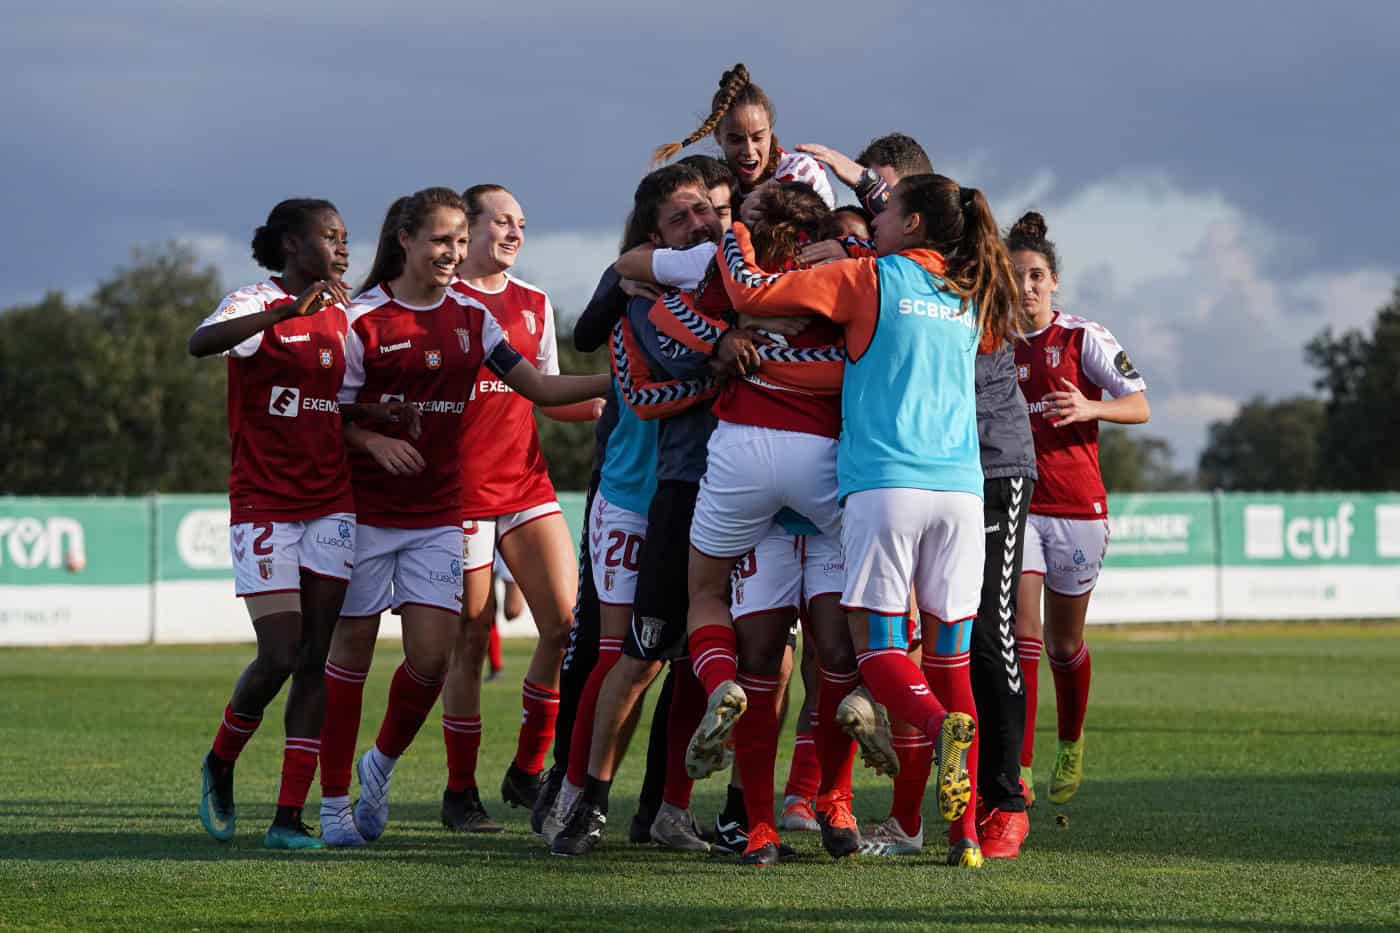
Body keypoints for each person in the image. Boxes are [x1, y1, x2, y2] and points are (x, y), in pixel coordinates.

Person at [719, 172, 1023, 868]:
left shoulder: (871, 278)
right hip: (962, 492)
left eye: (886, 214)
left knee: (879, 653)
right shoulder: (971, 289)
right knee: (949, 663)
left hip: (886, 486)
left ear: (912, 224)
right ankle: (966, 835)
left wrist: (737, 232)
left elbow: (752, 296)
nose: (875, 223)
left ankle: (933, 728)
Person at [314, 187, 608, 847]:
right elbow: (326, 415)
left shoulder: (475, 319)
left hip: (437, 516)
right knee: (352, 657)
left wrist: (616, 384)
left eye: (455, 242)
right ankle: (335, 801)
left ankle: (379, 765)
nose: (450, 253)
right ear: (407, 241)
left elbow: (536, 385)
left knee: (431, 659)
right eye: (440, 241)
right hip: (365, 515)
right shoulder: (362, 319)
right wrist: (372, 441)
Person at [808, 134, 1042, 860]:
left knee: (963, 649)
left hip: (972, 466)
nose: (871, 209)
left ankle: (1003, 799)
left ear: (917, 215)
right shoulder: (970, 275)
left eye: (883, 196)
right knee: (948, 654)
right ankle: (948, 829)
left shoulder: (920, 278)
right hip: (961, 477)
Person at [189, 199, 411, 850]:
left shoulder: (346, 312)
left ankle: (288, 818)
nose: (344, 247)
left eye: (347, 238)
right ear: (292, 243)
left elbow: (331, 407)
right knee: (279, 654)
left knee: (316, 658)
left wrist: (378, 418)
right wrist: (288, 311)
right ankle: (222, 756)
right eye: (330, 237)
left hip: (331, 501)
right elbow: (198, 343)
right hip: (264, 502)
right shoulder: (255, 304)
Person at [550, 163, 732, 858]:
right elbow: (637, 385)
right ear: (657, 239)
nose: (702, 224)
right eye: (683, 217)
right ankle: (574, 794)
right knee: (624, 655)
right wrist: (724, 370)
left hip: (715, 492)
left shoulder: (735, 292)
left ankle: (670, 810)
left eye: (710, 211)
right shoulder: (636, 303)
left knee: (694, 659)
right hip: (634, 492)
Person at [439, 184, 601, 832]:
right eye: (502, 221)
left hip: (526, 484)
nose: (514, 233)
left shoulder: (533, 302)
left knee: (565, 625)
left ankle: (528, 768)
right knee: (471, 639)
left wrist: (603, 405)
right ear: (468, 227)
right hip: (459, 496)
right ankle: (459, 793)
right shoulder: (441, 302)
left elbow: (547, 393)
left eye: (522, 224)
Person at [1009, 211, 1149, 808]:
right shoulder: (990, 342)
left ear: (1054, 281)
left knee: (1065, 646)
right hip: (1020, 504)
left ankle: (1070, 739)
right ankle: (1017, 768)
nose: (1027, 286)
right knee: (1022, 638)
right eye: (1016, 276)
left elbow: (1139, 405)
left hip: (1079, 508)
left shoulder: (1082, 338)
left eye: (1037, 275)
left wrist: (1092, 410)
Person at [653, 64, 835, 211]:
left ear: (770, 132)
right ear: (718, 136)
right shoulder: (714, 190)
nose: (749, 151)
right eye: (736, 140)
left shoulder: (800, 172)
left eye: (758, 138)